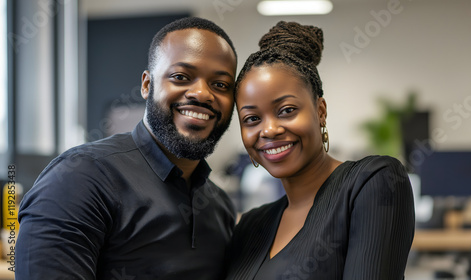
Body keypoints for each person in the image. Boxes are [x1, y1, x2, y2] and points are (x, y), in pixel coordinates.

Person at [16, 17, 237, 280]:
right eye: (180, 76)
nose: (202, 94)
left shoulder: (220, 207)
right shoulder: (81, 179)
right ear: (146, 85)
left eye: (221, 85)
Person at [225, 21, 415, 279]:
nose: (269, 130)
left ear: (320, 111)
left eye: (287, 111)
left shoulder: (372, 182)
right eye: (252, 119)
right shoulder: (250, 226)